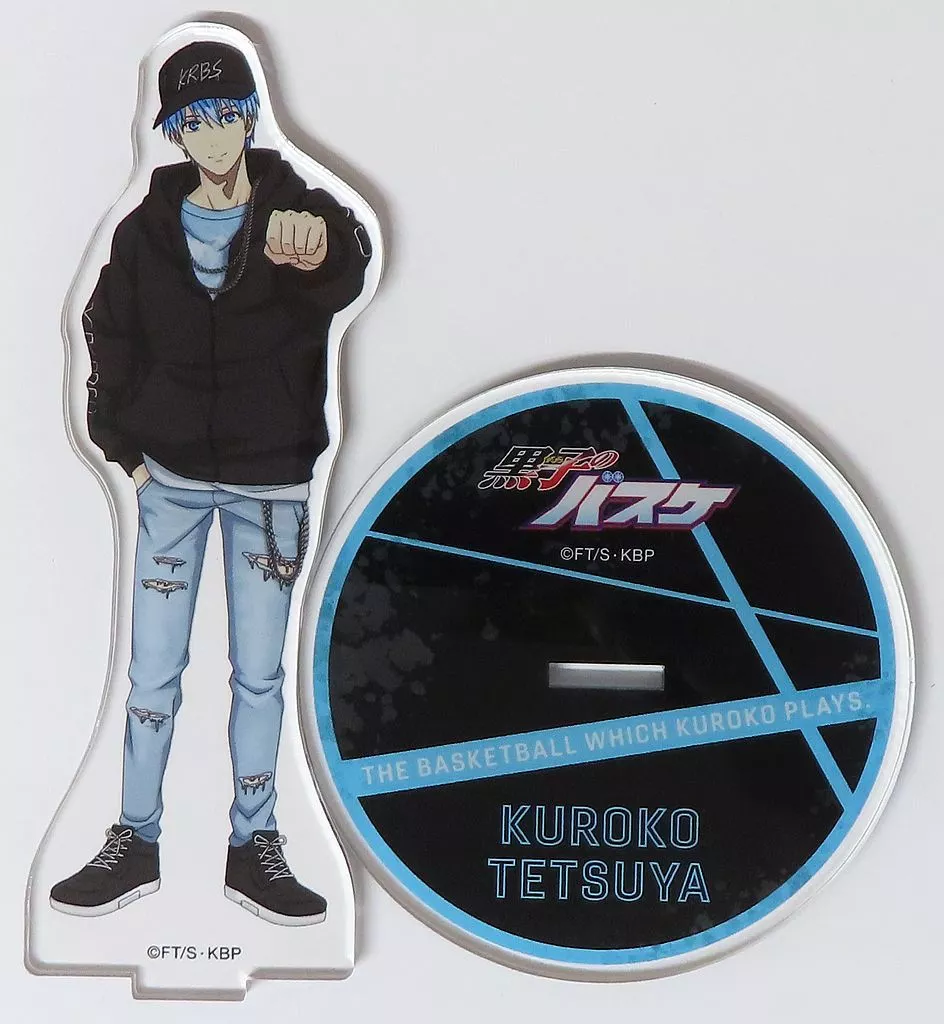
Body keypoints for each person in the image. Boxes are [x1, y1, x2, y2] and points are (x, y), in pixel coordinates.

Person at [50, 40, 372, 926]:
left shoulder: (296, 209)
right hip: (171, 485)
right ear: (174, 133)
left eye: (229, 114)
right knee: (152, 674)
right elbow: (105, 330)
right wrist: (122, 443)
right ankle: (134, 839)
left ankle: (254, 846)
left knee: (260, 676)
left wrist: (319, 250)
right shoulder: (143, 231)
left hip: (273, 487)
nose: (216, 134)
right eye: (196, 121)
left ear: (252, 117)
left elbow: (348, 260)